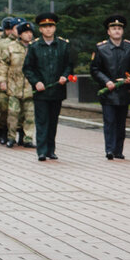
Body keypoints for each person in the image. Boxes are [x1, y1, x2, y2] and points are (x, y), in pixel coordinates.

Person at [90, 14, 130, 160]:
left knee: (121, 123)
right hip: (108, 91)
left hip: (124, 91)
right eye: (113, 28)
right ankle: (109, 150)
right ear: (108, 31)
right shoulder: (101, 48)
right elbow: (95, 69)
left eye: (119, 28)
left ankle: (119, 150)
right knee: (109, 122)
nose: (117, 31)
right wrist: (106, 81)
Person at [23, 13, 74, 161]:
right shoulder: (34, 46)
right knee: (42, 120)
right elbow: (28, 68)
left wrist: (65, 76)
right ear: (40, 29)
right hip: (41, 91)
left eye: (51, 26)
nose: (48, 29)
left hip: (57, 89)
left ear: (55, 27)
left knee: (53, 121)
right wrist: (36, 82)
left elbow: (69, 65)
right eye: (45, 27)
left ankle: (51, 150)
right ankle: (42, 150)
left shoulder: (63, 44)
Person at [0, 20, 36, 148]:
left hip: (31, 86)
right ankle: (11, 137)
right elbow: (3, 64)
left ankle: (28, 138)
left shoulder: (35, 47)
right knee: (13, 114)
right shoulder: (11, 47)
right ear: (20, 34)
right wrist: (2, 81)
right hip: (14, 86)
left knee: (29, 115)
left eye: (30, 32)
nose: (29, 35)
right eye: (25, 32)